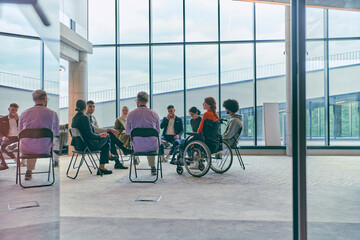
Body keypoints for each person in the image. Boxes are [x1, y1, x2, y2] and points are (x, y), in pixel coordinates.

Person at [18, 90, 60, 180]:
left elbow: (20, 133)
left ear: (34, 100)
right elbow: (57, 134)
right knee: (41, 142)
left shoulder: (23, 113)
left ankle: (29, 170)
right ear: (45, 99)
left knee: (31, 142)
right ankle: (56, 160)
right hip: (44, 149)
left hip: (26, 149)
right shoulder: (53, 113)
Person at [71, 99, 113, 175]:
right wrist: (100, 135)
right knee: (107, 137)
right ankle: (102, 166)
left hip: (77, 146)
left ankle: (103, 164)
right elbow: (90, 134)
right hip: (87, 145)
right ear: (85, 108)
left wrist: (99, 136)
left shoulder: (74, 118)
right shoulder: (85, 118)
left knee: (106, 143)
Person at [86, 100, 131, 169]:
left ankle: (118, 162)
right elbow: (95, 130)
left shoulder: (93, 117)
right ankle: (123, 150)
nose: (92, 108)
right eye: (90, 106)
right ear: (86, 107)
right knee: (109, 134)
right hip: (93, 139)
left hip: (97, 136)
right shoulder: (85, 117)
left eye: (93, 106)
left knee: (111, 139)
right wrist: (109, 130)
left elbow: (97, 129)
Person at [126, 91, 160, 175]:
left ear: (137, 100)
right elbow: (158, 132)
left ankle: (135, 158)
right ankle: (152, 167)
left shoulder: (130, 114)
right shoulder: (154, 114)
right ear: (147, 101)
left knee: (135, 140)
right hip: (152, 147)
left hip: (137, 147)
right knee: (151, 141)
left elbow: (127, 132)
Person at [0, 103, 19, 170]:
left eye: (16, 110)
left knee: (26, 144)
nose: (14, 112)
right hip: (8, 138)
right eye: (12, 110)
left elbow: (23, 128)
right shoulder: (2, 119)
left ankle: (23, 160)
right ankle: (15, 159)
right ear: (9, 109)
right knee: (3, 147)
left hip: (17, 138)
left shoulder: (18, 119)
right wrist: (2, 137)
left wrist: (18, 119)